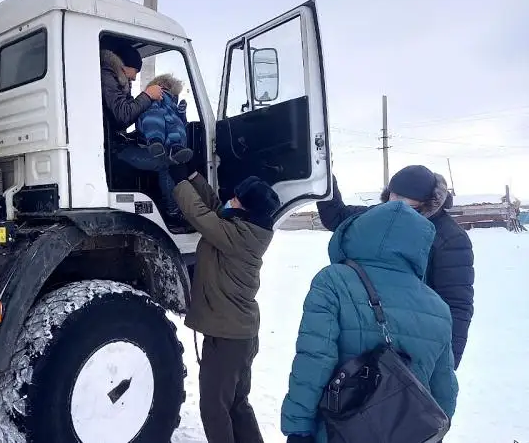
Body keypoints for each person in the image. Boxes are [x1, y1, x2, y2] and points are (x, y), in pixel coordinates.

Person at [281, 200, 459, 443]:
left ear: (357, 233)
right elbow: (444, 391)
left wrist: (298, 427)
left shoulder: (334, 281)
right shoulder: (437, 306)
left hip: (339, 431)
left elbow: (314, 359)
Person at [317, 165, 474, 369]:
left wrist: (447, 363)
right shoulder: (382, 218)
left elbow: (457, 304)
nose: (395, 201)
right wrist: (323, 174)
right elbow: (336, 217)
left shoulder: (450, 238)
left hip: (417, 342)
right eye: (393, 194)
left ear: (425, 200)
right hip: (374, 332)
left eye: (404, 197)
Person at [169, 164, 281, 443]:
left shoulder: (238, 237)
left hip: (228, 339)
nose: (231, 201)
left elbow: (200, 214)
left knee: (214, 409)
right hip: (239, 335)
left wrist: (177, 181)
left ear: (247, 211)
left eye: (237, 200)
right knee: (237, 404)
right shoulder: (246, 228)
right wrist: (193, 176)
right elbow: (217, 206)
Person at [100, 44, 187, 225]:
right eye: (135, 71)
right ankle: (172, 212)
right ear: (125, 65)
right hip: (113, 149)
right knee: (166, 163)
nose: (135, 77)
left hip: (118, 143)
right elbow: (123, 115)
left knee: (168, 160)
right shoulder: (107, 76)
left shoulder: (116, 79)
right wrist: (147, 95)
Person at [135, 73, 193, 163]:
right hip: (153, 126)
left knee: (175, 124)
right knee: (155, 117)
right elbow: (149, 109)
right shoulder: (156, 98)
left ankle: (175, 148)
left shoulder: (173, 108)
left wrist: (181, 114)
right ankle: (156, 142)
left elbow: (183, 123)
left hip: (167, 130)